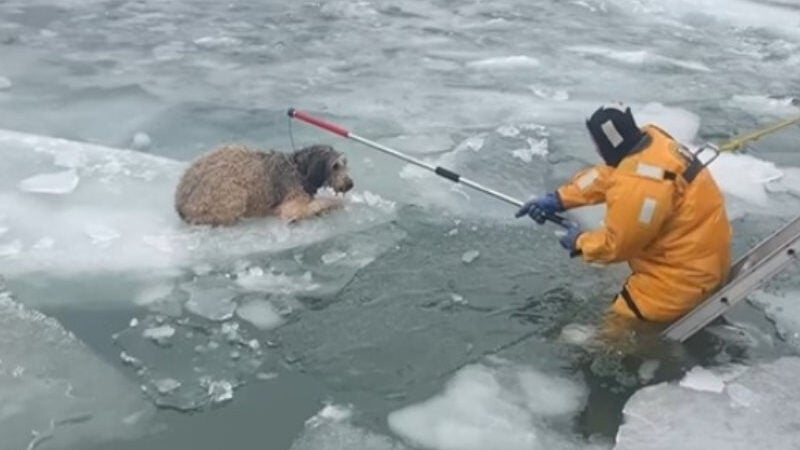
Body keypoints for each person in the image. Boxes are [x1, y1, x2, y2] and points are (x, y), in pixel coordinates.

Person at [516, 103, 732, 323]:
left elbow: (618, 245)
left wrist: (580, 242)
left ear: (608, 143)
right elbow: (608, 176)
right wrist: (559, 199)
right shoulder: (655, 147)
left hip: (678, 283)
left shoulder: (641, 186)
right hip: (704, 262)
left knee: (613, 334)